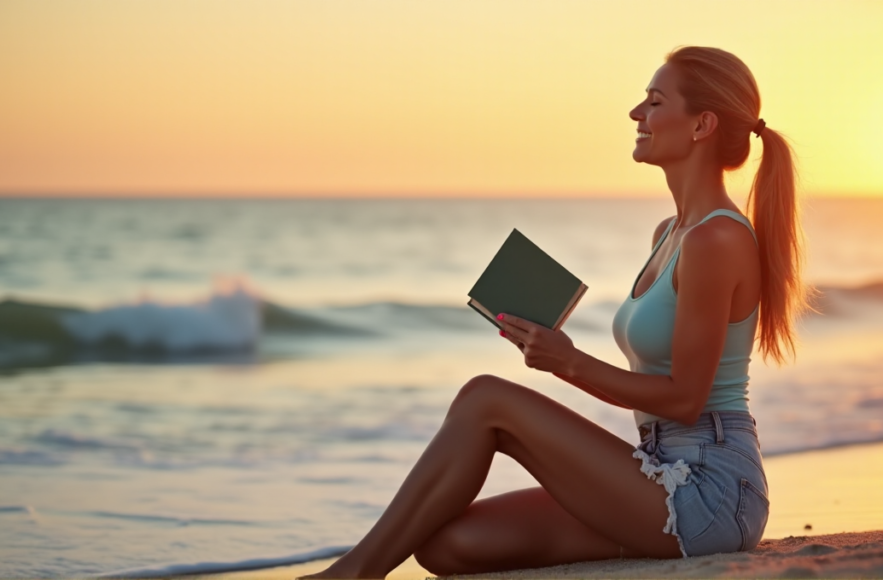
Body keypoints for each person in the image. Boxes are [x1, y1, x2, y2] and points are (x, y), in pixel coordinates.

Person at [301, 45, 809, 579]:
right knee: (450, 546)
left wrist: (567, 362)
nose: (636, 114)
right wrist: (556, 353)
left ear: (702, 124)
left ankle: (352, 573)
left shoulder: (717, 239)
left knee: (485, 398)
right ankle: (628, 538)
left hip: (711, 491)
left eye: (654, 102)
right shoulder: (670, 234)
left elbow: (685, 400)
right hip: (658, 468)